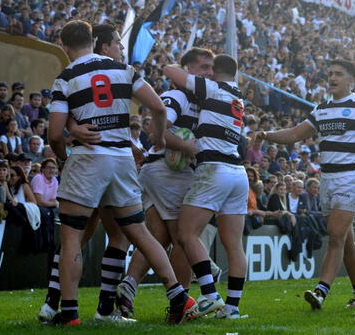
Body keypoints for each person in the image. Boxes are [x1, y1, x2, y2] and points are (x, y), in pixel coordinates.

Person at [47, 20, 196, 325]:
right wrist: (157, 137)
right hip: (121, 158)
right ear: (93, 40)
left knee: (73, 236)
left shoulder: (66, 77)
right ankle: (178, 294)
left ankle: (70, 313)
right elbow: (157, 106)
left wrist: (64, 157)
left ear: (64, 47)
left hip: (89, 160)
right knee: (139, 233)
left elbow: (53, 134)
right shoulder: (123, 69)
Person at [254, 59, 355, 310]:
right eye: (330, 74)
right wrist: (266, 135)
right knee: (345, 240)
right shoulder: (321, 108)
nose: (332, 78)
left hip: (351, 177)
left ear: (351, 80)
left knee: (335, 235)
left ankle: (321, 291)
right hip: (327, 178)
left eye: (339, 74)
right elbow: (294, 134)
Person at [116, 47, 213, 319]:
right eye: (203, 67)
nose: (209, 73)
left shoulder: (197, 101)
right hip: (168, 173)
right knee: (184, 239)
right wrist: (186, 146)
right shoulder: (177, 95)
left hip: (157, 172)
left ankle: (128, 287)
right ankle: (181, 303)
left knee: (156, 238)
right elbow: (156, 130)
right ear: (187, 71)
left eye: (211, 68)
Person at [164, 54, 249, 319]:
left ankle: (210, 296)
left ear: (215, 73)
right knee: (234, 245)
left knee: (186, 233)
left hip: (214, 169)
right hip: (239, 173)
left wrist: (196, 76)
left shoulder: (212, 88)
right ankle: (232, 308)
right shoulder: (238, 97)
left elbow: (169, 70)